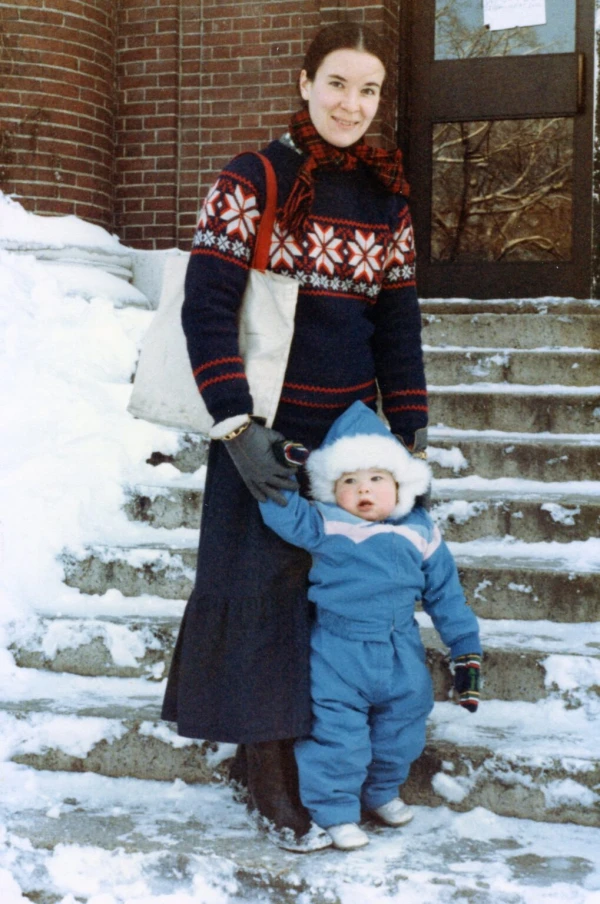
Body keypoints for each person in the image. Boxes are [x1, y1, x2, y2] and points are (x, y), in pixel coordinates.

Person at [161, 20, 429, 852]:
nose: (353, 103)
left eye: (370, 89)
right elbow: (206, 307)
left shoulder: (387, 198)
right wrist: (235, 424)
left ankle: (329, 766)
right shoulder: (253, 178)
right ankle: (266, 772)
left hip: (347, 439)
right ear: (305, 81)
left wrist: (408, 437)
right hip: (265, 431)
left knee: (332, 609)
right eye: (338, 82)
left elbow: (398, 325)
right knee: (261, 602)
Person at [259, 401, 482, 851]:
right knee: (335, 737)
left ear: (400, 485)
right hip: (338, 650)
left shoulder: (421, 531)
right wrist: (279, 464)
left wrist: (465, 650)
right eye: (349, 481)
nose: (364, 489)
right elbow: (280, 508)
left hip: (401, 649)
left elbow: (446, 595)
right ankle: (336, 811)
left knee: (404, 726)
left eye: (376, 478)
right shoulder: (324, 523)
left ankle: (380, 791)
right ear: (330, 490)